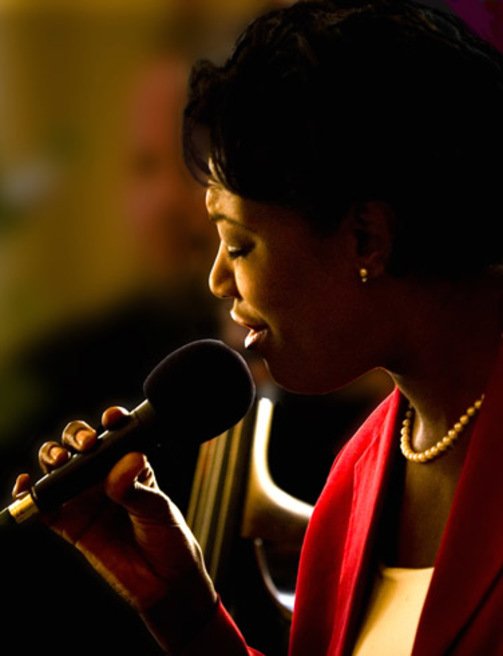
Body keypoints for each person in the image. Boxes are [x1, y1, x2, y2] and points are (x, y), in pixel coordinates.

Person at [12, 0, 503, 654]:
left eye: (239, 244)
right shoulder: (358, 474)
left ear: (366, 237)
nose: (218, 280)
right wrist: (186, 612)